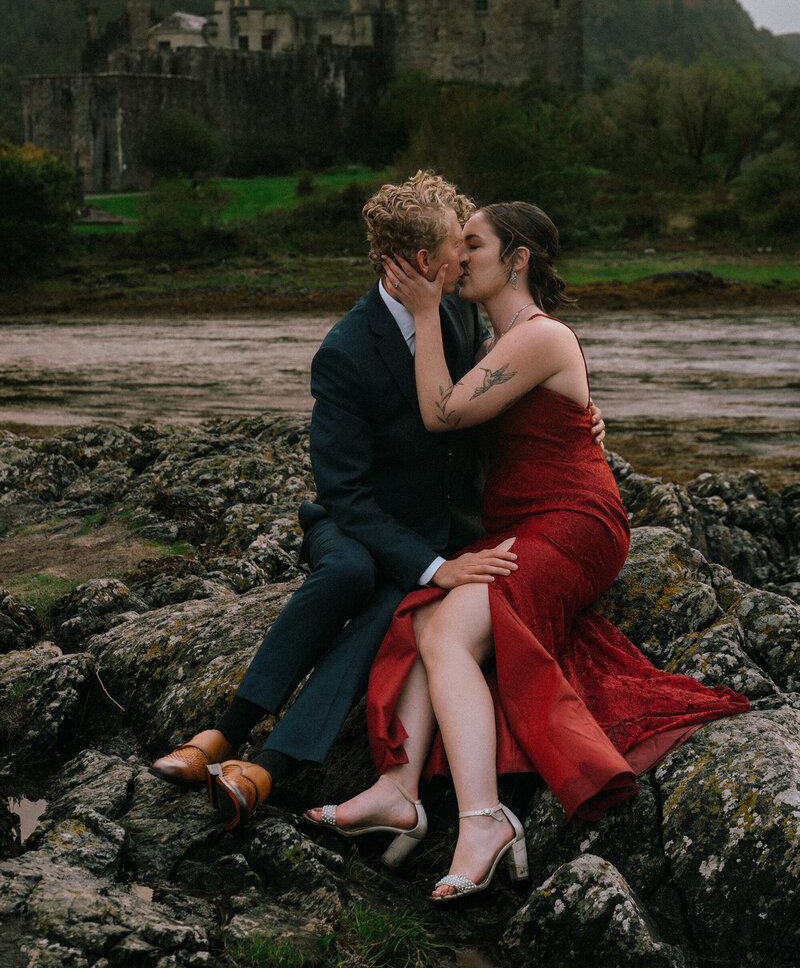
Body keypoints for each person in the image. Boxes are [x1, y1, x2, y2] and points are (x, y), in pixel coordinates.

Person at [307, 202, 749, 902]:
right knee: (425, 619)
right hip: (520, 522)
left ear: (516, 259)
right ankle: (399, 790)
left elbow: (441, 413)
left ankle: (485, 820)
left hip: (573, 521)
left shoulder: (540, 335)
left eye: (473, 244)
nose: (458, 258)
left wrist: (422, 315)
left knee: (450, 632)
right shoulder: (496, 343)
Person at [150, 173, 605, 829]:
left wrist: (580, 417)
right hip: (355, 519)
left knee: (393, 601)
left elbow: (504, 389)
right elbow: (344, 493)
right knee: (350, 571)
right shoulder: (345, 351)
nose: (468, 256)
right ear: (426, 261)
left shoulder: (457, 311)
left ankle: (267, 767)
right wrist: (430, 566)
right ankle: (226, 733)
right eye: (459, 243)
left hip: (437, 525)